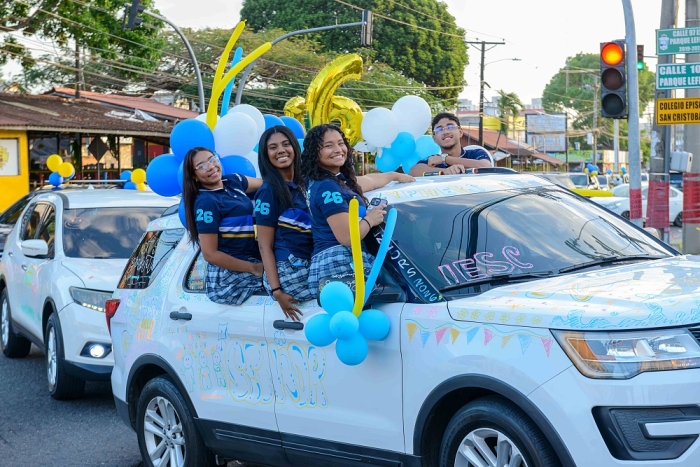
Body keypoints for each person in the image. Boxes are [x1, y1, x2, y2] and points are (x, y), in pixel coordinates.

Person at [301, 123, 414, 296]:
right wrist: (370, 219)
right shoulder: (327, 187)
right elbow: (347, 237)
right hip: (338, 265)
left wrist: (395, 175)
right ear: (314, 153)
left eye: (341, 143)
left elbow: (370, 181)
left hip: (338, 264)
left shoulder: (335, 182)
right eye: (328, 146)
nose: (338, 149)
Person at [182, 147, 263, 305]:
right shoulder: (206, 202)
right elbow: (210, 254)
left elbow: (268, 185)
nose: (211, 166)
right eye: (201, 166)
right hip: (229, 276)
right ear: (194, 176)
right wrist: (254, 268)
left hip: (252, 260)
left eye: (212, 159)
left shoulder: (233, 181)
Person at [255, 126, 312, 321]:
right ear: (265, 155)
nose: (280, 150)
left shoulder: (307, 184)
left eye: (286, 144)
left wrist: (392, 176)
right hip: (288, 273)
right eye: (273, 147)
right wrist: (277, 290)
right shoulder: (268, 191)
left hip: (309, 264)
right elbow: (264, 246)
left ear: (295, 147)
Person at [409, 112, 494, 177]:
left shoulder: (476, 153)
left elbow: (486, 166)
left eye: (450, 127)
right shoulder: (433, 160)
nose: (445, 132)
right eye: (439, 129)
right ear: (434, 138)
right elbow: (413, 172)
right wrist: (445, 171)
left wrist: (445, 159)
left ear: (460, 132)